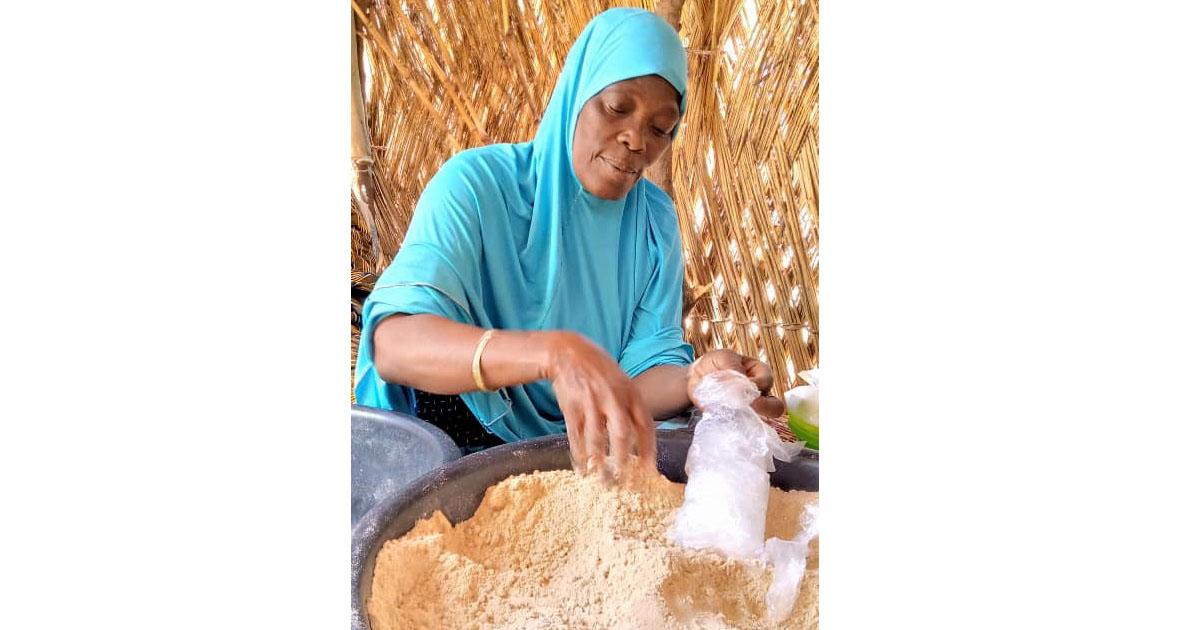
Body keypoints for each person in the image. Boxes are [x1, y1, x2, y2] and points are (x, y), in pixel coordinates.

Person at [354, 8, 785, 468]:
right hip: (445, 451)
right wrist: (551, 353)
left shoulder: (654, 223)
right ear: (578, 92)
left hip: (568, 453)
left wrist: (699, 382)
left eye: (661, 128)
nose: (637, 140)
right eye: (618, 108)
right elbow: (395, 346)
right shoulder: (477, 186)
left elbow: (636, 382)